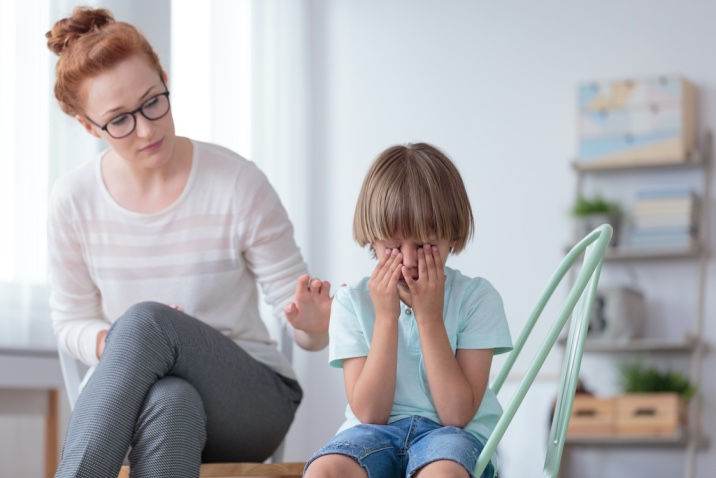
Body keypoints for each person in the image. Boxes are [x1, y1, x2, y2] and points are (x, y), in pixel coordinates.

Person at [45, 7, 331, 477]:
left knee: (144, 323)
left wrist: (314, 326)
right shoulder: (72, 200)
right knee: (169, 397)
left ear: (164, 77)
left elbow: (303, 325)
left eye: (153, 101)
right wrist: (117, 340)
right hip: (145, 400)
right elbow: (71, 321)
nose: (146, 128)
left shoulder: (237, 181)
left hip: (252, 401)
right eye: (118, 120)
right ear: (88, 127)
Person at [303, 143, 513, 478]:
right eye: (394, 247)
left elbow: (457, 415)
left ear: (452, 237)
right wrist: (386, 318)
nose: (410, 260)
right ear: (372, 240)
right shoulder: (351, 303)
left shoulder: (477, 298)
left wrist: (429, 318)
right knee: (324, 471)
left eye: (425, 245)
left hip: (452, 437)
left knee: (442, 473)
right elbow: (370, 413)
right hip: (373, 433)